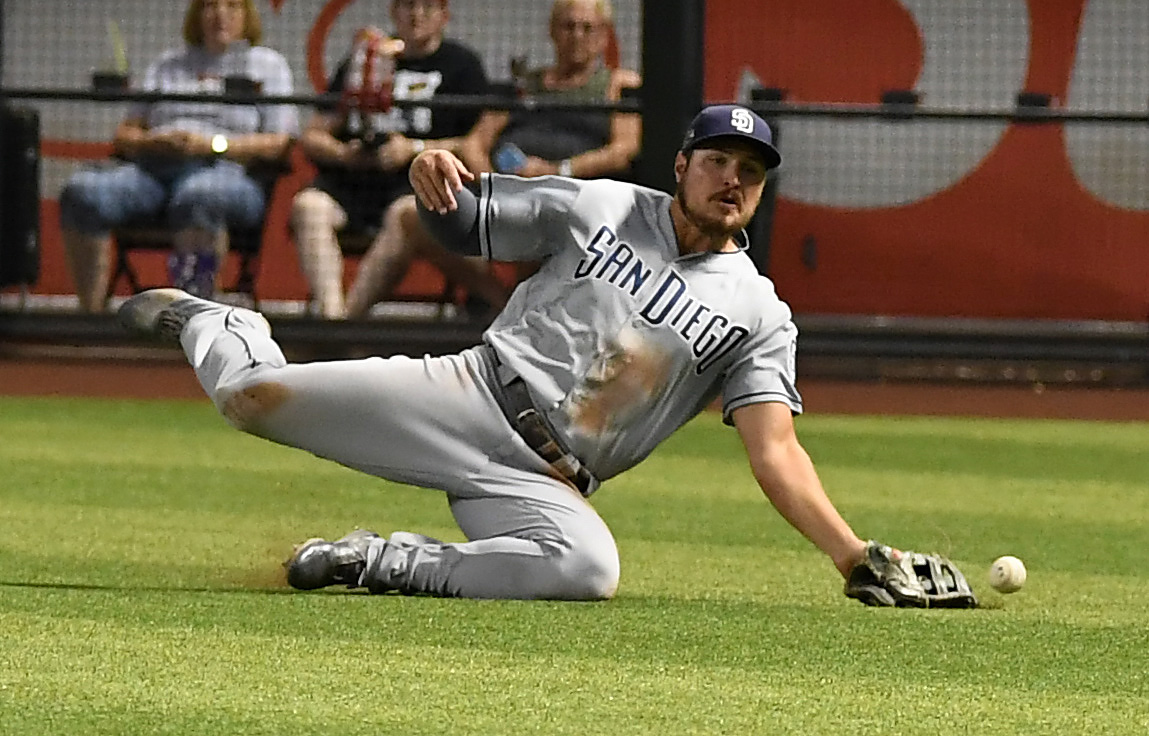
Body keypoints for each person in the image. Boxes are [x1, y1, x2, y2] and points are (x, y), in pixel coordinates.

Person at [116, 105, 977, 607]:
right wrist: (433, 173)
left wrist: (851, 554)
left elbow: (774, 449)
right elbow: (469, 217)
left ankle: (371, 560)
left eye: (749, 169)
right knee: (249, 399)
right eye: (716, 159)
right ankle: (217, 323)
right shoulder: (598, 204)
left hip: (543, 481)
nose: (732, 178)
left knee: (589, 569)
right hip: (466, 395)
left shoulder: (759, 313)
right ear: (681, 166)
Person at [58, 0, 299, 312]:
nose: (220, 14)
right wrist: (154, 141)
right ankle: (89, 316)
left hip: (227, 173)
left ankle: (193, 316)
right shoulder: (167, 64)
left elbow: (279, 143)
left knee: (199, 194)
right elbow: (125, 135)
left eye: (232, 6)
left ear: (247, 16)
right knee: (83, 193)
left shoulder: (267, 65)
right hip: (152, 171)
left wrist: (212, 145)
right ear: (197, 15)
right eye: (210, 6)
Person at [291, 0, 509, 320]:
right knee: (308, 207)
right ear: (394, 12)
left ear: (444, 16)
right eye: (407, 5)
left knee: (403, 214)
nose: (416, 14)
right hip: (354, 180)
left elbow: (471, 144)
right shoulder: (367, 57)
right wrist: (345, 155)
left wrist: (414, 149)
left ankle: (343, 326)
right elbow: (312, 135)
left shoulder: (461, 65)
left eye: (427, 7)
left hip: (415, 183)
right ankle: (332, 316)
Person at [459, 0, 641, 180]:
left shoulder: (618, 84)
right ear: (552, 30)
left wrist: (556, 171)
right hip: (511, 195)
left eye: (587, 28)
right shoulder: (523, 85)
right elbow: (474, 145)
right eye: (569, 26)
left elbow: (624, 150)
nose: (577, 36)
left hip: (582, 196)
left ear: (604, 36)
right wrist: (495, 187)